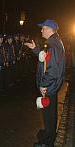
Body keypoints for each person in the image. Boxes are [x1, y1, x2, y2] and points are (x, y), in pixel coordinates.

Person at [25, 19, 65, 147]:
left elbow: (51, 70)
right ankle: (48, 136)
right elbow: (46, 58)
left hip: (49, 86)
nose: (41, 30)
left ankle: (48, 142)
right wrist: (35, 49)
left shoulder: (52, 45)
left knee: (49, 115)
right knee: (49, 113)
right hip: (52, 85)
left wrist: (44, 85)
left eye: (43, 28)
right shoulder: (54, 42)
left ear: (49, 29)